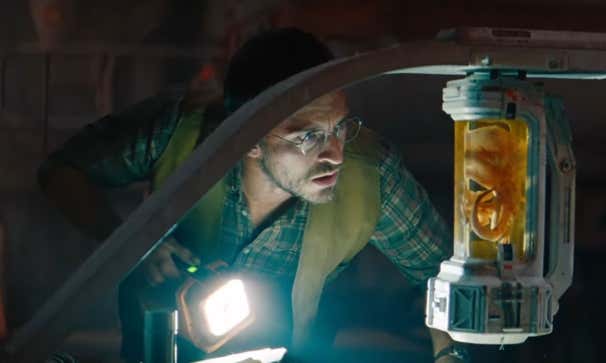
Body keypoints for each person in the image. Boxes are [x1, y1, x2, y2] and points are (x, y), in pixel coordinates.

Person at [38, 28, 467, 363]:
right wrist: (131, 246)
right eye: (307, 137)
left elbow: (445, 278)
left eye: (339, 128)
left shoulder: (370, 173)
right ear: (249, 138)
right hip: (159, 354)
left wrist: (450, 355)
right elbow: (62, 171)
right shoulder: (180, 135)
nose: (334, 154)